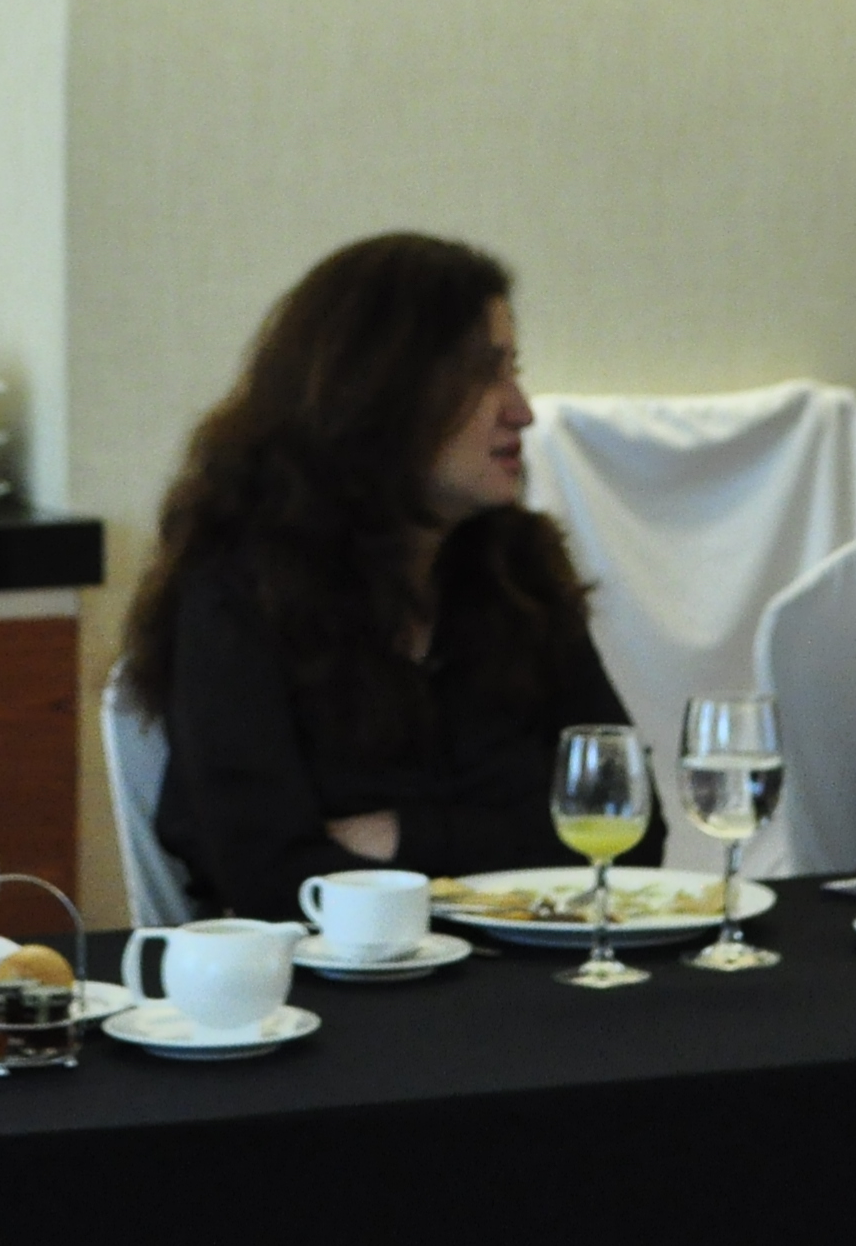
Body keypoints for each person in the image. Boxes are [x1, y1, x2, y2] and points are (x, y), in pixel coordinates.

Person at [123, 233, 645, 914]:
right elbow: (266, 877)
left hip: (533, 967)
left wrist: (402, 837)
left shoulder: (520, 570)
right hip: (320, 977)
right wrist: (505, 849)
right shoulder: (243, 590)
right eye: (485, 374)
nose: (521, 409)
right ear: (382, 393)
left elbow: (629, 833)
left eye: (513, 371)